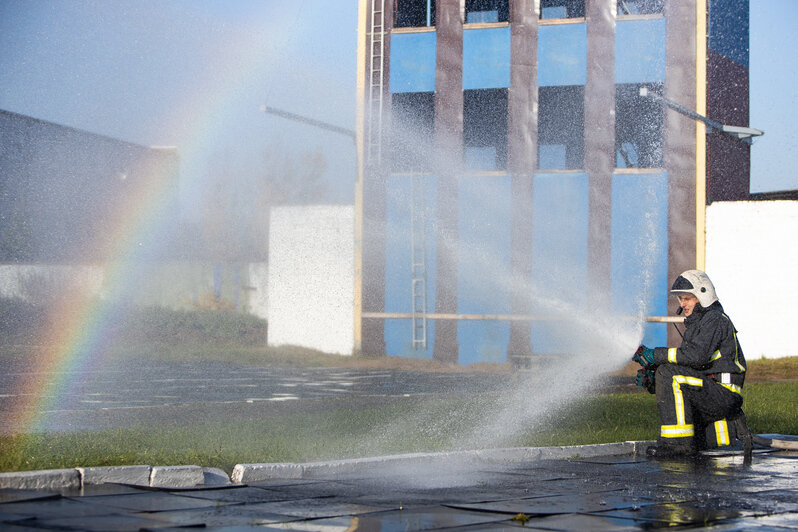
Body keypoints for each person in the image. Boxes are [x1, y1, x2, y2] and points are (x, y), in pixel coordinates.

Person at [632, 269, 747, 458]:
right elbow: (689, 365)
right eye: (681, 299)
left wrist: (656, 355)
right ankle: (679, 443)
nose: (682, 303)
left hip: (724, 394)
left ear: (703, 294)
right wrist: (654, 377)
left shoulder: (715, 320)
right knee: (666, 372)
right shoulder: (699, 324)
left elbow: (695, 356)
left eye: (687, 298)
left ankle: (677, 445)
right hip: (711, 391)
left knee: (670, 374)